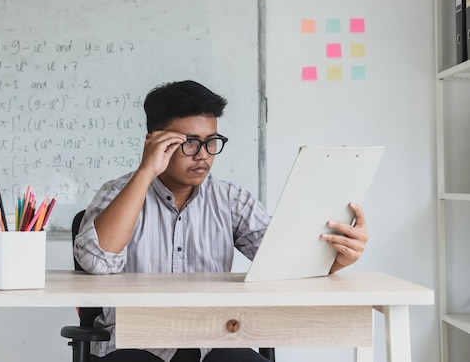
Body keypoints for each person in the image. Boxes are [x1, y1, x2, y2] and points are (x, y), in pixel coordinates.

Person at [74, 80, 368, 362]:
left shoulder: (231, 199)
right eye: (189, 143)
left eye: (211, 141)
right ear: (154, 142)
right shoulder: (116, 194)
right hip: (134, 343)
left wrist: (340, 257)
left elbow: (284, 265)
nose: (203, 155)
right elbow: (97, 263)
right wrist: (145, 172)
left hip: (212, 342)